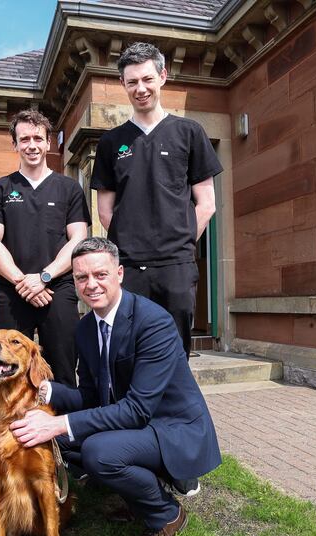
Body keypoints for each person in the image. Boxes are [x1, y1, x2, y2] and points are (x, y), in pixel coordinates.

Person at [10, 237, 221, 536]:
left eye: (100, 275)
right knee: (65, 444)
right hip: (138, 423)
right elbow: (94, 396)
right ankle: (137, 496)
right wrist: (47, 392)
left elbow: (137, 409)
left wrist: (58, 423)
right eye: (81, 277)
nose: (90, 284)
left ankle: (166, 516)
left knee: (97, 452)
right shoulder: (85, 330)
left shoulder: (153, 323)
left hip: (173, 428)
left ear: (119, 274)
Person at [91, 42, 223, 358]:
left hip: (176, 265)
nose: (141, 88)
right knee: (129, 350)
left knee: (175, 352)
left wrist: (180, 244)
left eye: (147, 79)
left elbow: (206, 203)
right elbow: (105, 210)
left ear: (162, 76)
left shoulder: (189, 132)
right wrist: (130, 246)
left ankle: (174, 409)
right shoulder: (112, 143)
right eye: (132, 81)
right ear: (123, 84)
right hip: (129, 266)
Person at [0, 109, 91, 386]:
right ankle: (13, 428)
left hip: (57, 289)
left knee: (63, 365)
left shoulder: (69, 188)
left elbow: (78, 239)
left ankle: (63, 425)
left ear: (48, 142)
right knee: (5, 367)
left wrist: (43, 278)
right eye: (25, 139)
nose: (32, 145)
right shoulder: (0, 189)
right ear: (15, 144)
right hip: (12, 290)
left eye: (38, 138)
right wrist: (23, 283)